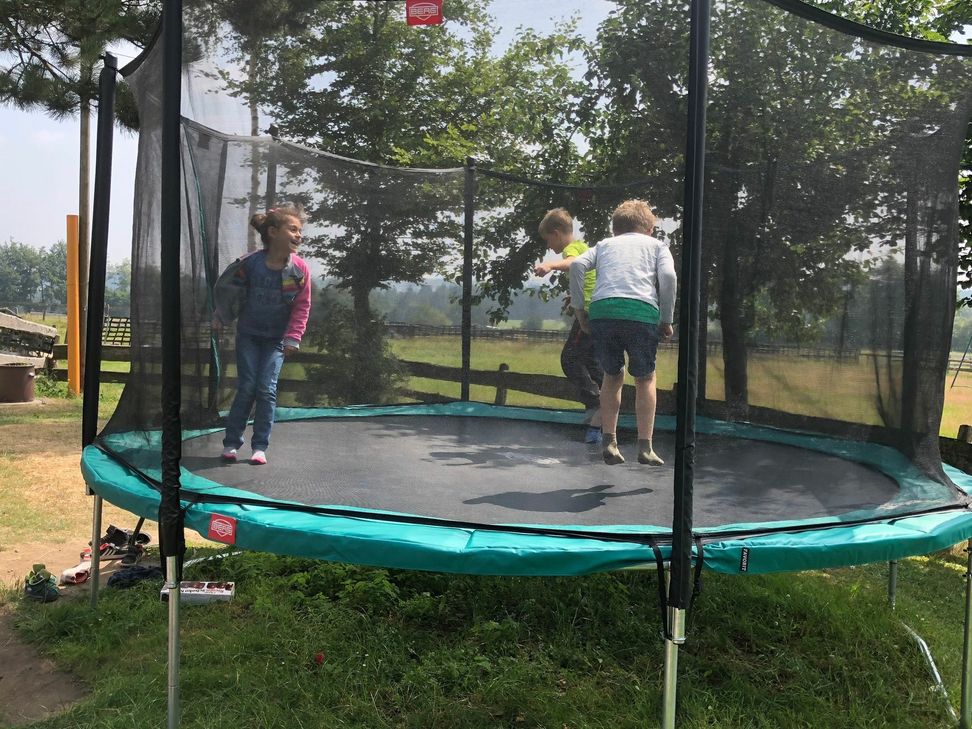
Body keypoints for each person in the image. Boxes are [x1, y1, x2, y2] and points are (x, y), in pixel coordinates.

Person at [569, 200, 676, 466]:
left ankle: (609, 441)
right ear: (650, 229)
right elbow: (669, 277)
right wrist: (666, 319)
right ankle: (645, 447)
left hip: (603, 311)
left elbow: (576, 266)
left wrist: (580, 310)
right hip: (641, 312)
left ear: (614, 229)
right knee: (645, 378)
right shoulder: (657, 246)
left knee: (612, 376)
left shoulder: (604, 245)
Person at [212, 204, 312, 465]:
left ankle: (259, 446)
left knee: (266, 389)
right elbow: (231, 291)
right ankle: (232, 443)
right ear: (272, 232)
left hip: (276, 339)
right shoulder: (251, 264)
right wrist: (221, 316)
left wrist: (293, 337)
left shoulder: (298, 269)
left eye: (300, 231)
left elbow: (302, 305)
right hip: (249, 335)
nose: (299, 235)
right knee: (247, 387)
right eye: (293, 229)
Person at [533, 207, 604, 444]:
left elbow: (575, 264)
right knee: (591, 360)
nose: (548, 247)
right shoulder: (584, 246)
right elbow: (586, 276)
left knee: (570, 359)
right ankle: (606, 404)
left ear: (556, 233)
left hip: (590, 312)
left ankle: (596, 402)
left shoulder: (573, 250)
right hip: (596, 308)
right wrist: (573, 298)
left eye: (548, 240)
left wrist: (551, 266)